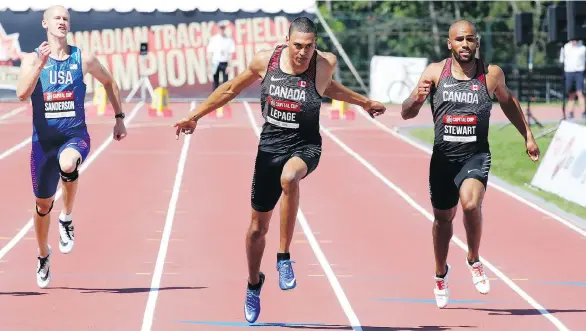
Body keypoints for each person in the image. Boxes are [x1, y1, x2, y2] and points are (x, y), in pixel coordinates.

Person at [174, 17, 385, 323]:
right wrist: (195, 115)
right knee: (257, 230)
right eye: (297, 45)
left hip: (306, 146)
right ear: (287, 40)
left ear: (316, 45)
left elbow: (329, 88)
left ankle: (284, 258)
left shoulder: (324, 65)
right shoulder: (265, 61)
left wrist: (363, 102)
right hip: (269, 149)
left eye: (309, 47)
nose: (303, 53)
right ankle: (253, 282)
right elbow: (231, 88)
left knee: (290, 177)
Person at [401, 20, 540, 309]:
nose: (465, 44)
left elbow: (509, 102)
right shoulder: (434, 73)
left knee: (470, 204)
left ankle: (474, 259)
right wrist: (417, 98)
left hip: (475, 155)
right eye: (459, 39)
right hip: (443, 159)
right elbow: (406, 114)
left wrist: (527, 134)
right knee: (442, 220)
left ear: (477, 42)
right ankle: (441, 274)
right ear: (449, 43)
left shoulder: (490, 74)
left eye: (470, 39)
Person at [16, 5, 127, 289]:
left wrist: (119, 118)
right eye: (57, 18)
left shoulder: (83, 58)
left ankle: (66, 217)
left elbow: (109, 81)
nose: (62, 22)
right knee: (42, 205)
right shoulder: (32, 60)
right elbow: (20, 95)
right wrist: (40, 65)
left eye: (66, 18)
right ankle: (43, 254)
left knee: (68, 164)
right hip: (43, 142)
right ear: (45, 23)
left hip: (74, 136)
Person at [559, 40, 586, 120]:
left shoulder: (583, 48)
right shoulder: (565, 47)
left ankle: (583, 112)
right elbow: (562, 60)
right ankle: (570, 112)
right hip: (569, 72)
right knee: (571, 94)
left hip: (579, 72)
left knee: (580, 92)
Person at [207, 20, 235, 91]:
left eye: (223, 28)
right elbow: (210, 53)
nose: (222, 29)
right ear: (218, 28)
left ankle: (224, 100)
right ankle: (215, 100)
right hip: (215, 62)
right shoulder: (214, 39)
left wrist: (229, 65)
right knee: (215, 82)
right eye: (221, 28)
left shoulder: (229, 40)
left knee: (225, 83)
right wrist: (210, 65)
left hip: (224, 62)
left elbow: (230, 54)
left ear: (225, 28)